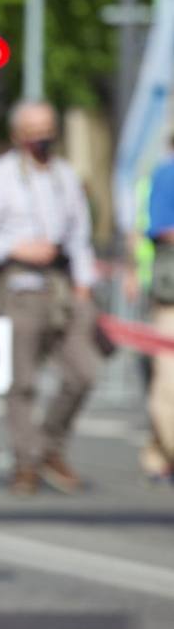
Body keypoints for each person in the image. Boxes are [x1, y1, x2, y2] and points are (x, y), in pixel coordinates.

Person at [0, 100, 100, 496]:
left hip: (60, 285)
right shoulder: (0, 176)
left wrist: (84, 285)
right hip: (20, 286)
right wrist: (15, 248)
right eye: (33, 129)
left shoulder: (64, 176)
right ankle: (26, 462)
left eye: (47, 127)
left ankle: (49, 446)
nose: (42, 137)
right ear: (18, 135)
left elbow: (80, 234)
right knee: (22, 382)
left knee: (83, 372)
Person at [140, 154, 174, 484]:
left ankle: (159, 452)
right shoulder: (167, 174)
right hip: (170, 293)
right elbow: (160, 228)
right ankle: (162, 453)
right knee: (169, 380)